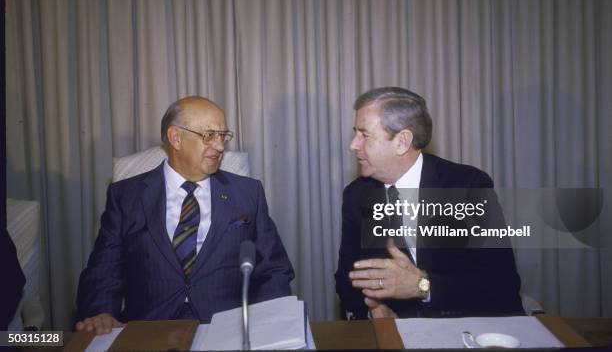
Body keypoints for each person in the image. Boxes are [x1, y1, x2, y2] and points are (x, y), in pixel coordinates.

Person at [76, 96, 294, 333]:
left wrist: (270, 323)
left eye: (223, 136)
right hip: (150, 330)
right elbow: (104, 269)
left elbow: (274, 270)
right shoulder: (127, 196)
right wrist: (101, 313)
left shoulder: (248, 193)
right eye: (209, 135)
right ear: (175, 138)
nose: (220, 146)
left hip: (227, 329)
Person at [335, 87, 524, 319]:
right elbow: (348, 278)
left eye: (364, 135)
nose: (353, 145)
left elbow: (502, 285)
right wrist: (372, 312)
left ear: (402, 141)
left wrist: (422, 286)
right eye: (355, 133)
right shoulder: (357, 195)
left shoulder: (466, 186)